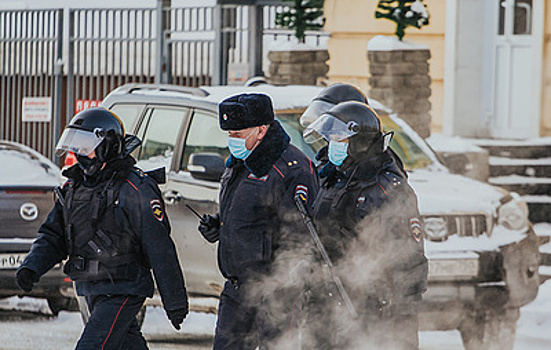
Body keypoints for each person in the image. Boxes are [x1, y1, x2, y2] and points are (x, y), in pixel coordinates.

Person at [16, 108, 189, 350]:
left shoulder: (134, 188)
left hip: (124, 287)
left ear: (107, 146)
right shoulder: (74, 188)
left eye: (86, 147)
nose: (79, 155)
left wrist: (175, 301)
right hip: (91, 287)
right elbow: (53, 234)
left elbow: (159, 246)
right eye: (76, 147)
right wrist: (32, 266)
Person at [198, 93, 319, 350]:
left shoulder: (292, 169)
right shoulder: (240, 162)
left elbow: (298, 237)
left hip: (274, 291)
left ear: (261, 130)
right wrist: (220, 224)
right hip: (236, 288)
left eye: (238, 134)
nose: (232, 140)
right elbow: (251, 210)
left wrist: (282, 289)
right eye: (229, 133)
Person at [303, 101, 428, 349]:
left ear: (359, 142)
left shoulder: (387, 189)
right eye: (332, 139)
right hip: (326, 303)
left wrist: (395, 311)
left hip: (370, 309)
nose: (333, 146)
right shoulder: (334, 179)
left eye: (341, 139)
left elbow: (409, 258)